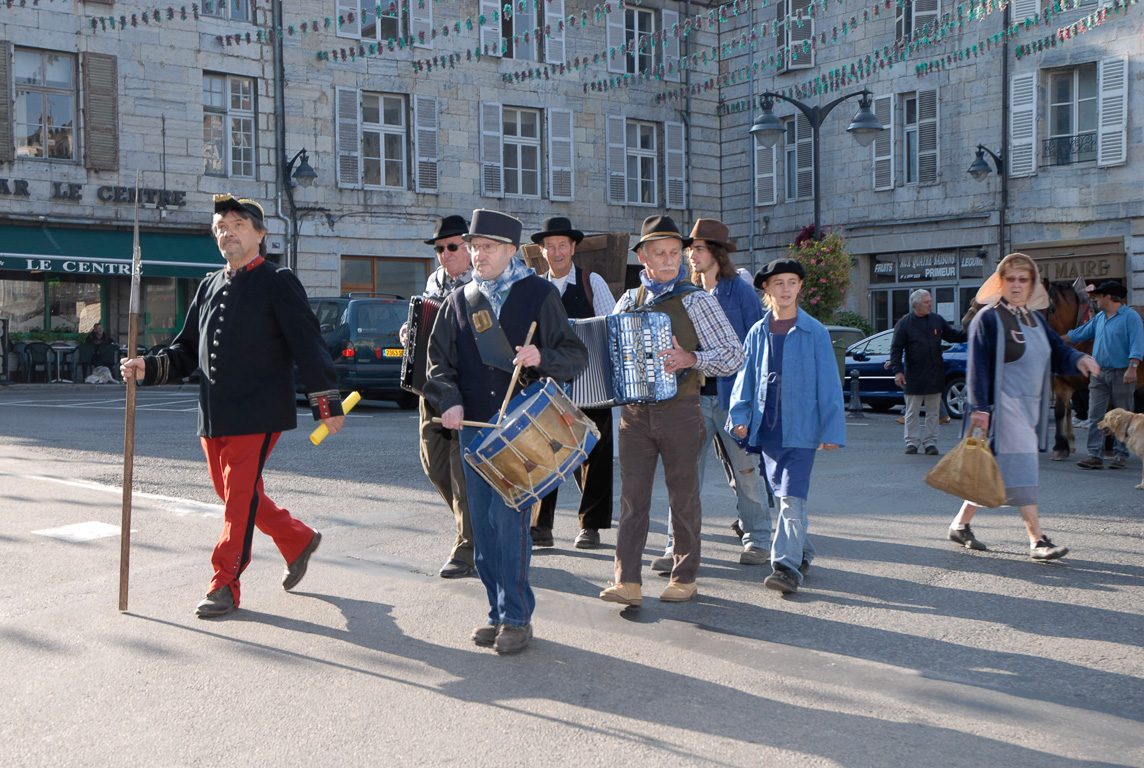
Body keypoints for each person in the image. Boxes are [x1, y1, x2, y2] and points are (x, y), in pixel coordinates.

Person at [121, 195, 345, 618]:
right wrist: (147, 367)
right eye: (221, 226)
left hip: (258, 412)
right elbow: (186, 351)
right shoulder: (207, 286)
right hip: (214, 413)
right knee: (233, 495)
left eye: (239, 224)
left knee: (238, 500)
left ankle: (225, 583)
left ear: (260, 233)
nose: (228, 232)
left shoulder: (278, 281)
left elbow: (309, 344)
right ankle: (297, 538)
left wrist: (326, 405)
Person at [424, 209, 587, 655]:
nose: (478, 255)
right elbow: (437, 364)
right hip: (473, 430)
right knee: (482, 528)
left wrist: (541, 358)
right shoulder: (459, 299)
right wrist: (449, 400)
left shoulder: (537, 293)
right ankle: (496, 613)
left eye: (488, 247)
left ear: (512, 251)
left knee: (508, 524)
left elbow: (575, 355)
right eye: (473, 247)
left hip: (520, 430)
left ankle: (517, 617)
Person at [599, 215, 744, 607]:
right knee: (632, 500)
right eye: (659, 253)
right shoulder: (628, 301)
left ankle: (685, 576)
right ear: (643, 257)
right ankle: (626, 580)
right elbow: (609, 350)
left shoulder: (697, 299)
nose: (668, 260)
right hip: (634, 415)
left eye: (675, 253)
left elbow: (734, 354)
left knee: (683, 497)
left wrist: (690, 358)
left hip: (681, 408)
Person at [946, 253, 1099, 560]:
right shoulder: (987, 319)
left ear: (1032, 286)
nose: (1016, 285)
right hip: (1002, 407)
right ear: (1000, 283)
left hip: (1030, 410)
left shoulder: (1036, 320)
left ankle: (959, 525)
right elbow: (977, 367)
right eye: (1011, 279)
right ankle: (1037, 540)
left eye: (1023, 279)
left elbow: (1058, 351)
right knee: (1024, 470)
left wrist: (1079, 358)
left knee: (999, 472)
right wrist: (980, 407)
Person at [650, 218, 769, 572]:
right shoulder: (683, 292)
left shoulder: (741, 292)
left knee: (747, 472)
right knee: (684, 475)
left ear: (716, 253)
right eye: (689, 250)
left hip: (734, 399)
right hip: (692, 397)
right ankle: (676, 546)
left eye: (697, 249)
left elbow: (756, 348)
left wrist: (752, 402)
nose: (691, 256)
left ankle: (758, 539)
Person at [729, 258, 845, 595]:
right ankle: (803, 551)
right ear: (767, 288)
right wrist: (739, 417)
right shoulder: (757, 331)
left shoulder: (815, 332)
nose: (786, 289)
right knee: (782, 497)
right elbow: (745, 379)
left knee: (793, 496)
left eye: (792, 282)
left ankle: (786, 567)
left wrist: (831, 430)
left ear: (800, 288)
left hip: (803, 430)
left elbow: (829, 385)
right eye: (778, 283)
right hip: (768, 428)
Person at [530, 216, 616, 550]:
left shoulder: (591, 281)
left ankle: (590, 526)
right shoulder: (534, 287)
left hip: (591, 382)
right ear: (542, 251)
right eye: (549, 246)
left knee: (595, 452)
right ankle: (541, 527)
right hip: (549, 384)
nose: (556, 252)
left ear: (573, 247)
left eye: (562, 245)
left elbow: (610, 326)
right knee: (546, 451)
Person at [407, 215, 477, 578]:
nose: (445, 254)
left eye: (452, 247)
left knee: (462, 469)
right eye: (439, 249)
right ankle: (480, 525)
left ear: (469, 246)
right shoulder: (435, 281)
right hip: (430, 387)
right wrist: (411, 332)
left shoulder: (481, 284)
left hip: (465, 389)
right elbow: (426, 324)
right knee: (433, 465)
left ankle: (466, 549)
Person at [1062, 280, 1142, 471]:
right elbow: (1079, 334)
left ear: (1108, 296)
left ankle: (1120, 455)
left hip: (1122, 372)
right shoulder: (1099, 318)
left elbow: (1137, 344)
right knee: (1095, 415)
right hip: (1099, 373)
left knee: (1122, 415)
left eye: (1097, 296)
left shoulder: (1131, 317)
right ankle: (1094, 455)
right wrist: (1054, 339)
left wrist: (1132, 367)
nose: (1095, 300)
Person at [890, 289, 967, 456]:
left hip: (935, 374)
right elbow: (896, 349)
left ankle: (930, 443)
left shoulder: (936, 320)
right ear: (916, 305)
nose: (930, 304)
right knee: (912, 412)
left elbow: (953, 335)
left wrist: (971, 331)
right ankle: (912, 442)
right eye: (927, 302)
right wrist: (898, 371)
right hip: (914, 375)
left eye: (930, 301)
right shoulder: (904, 324)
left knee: (933, 412)